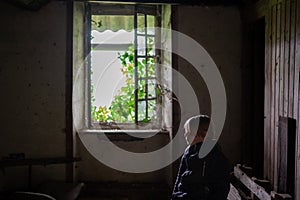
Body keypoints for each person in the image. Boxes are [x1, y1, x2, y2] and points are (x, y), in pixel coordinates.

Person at [172, 115, 230, 200]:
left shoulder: (214, 155)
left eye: (189, 131)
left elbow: (219, 188)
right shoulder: (188, 151)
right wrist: (174, 196)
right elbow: (179, 176)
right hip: (184, 195)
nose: (185, 135)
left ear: (200, 134)